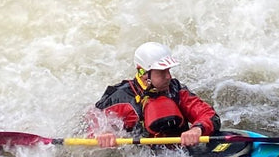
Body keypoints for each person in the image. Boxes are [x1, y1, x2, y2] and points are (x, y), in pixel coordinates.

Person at [91, 42, 220, 148]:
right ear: (143, 73)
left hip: (178, 155)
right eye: (162, 72)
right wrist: (103, 134)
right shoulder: (120, 98)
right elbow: (92, 122)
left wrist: (197, 129)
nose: (169, 76)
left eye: (168, 70)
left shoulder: (176, 90)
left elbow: (209, 115)